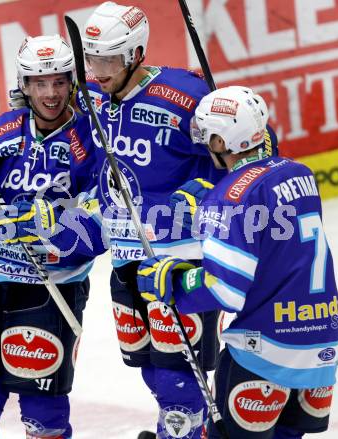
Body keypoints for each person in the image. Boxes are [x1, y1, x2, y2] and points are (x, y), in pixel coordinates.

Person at [137, 85, 338, 439]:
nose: (203, 144)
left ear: (221, 142)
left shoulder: (229, 198)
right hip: (321, 346)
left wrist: (172, 281)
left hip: (265, 350)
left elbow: (226, 290)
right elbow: (274, 250)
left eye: (207, 136)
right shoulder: (301, 173)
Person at [73, 2, 237, 438]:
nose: (97, 69)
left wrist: (196, 192)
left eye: (107, 58)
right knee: (148, 364)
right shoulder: (92, 100)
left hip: (180, 261)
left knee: (179, 373)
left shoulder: (185, 94)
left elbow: (240, 155)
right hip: (126, 257)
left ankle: (181, 430)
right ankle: (184, 428)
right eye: (91, 58)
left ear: (134, 54)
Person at [0, 34, 103, 439]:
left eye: (60, 82)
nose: (51, 93)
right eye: (39, 83)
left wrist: (48, 227)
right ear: (24, 85)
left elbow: (105, 222)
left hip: (53, 287)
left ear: (72, 82)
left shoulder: (93, 138)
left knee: (41, 411)